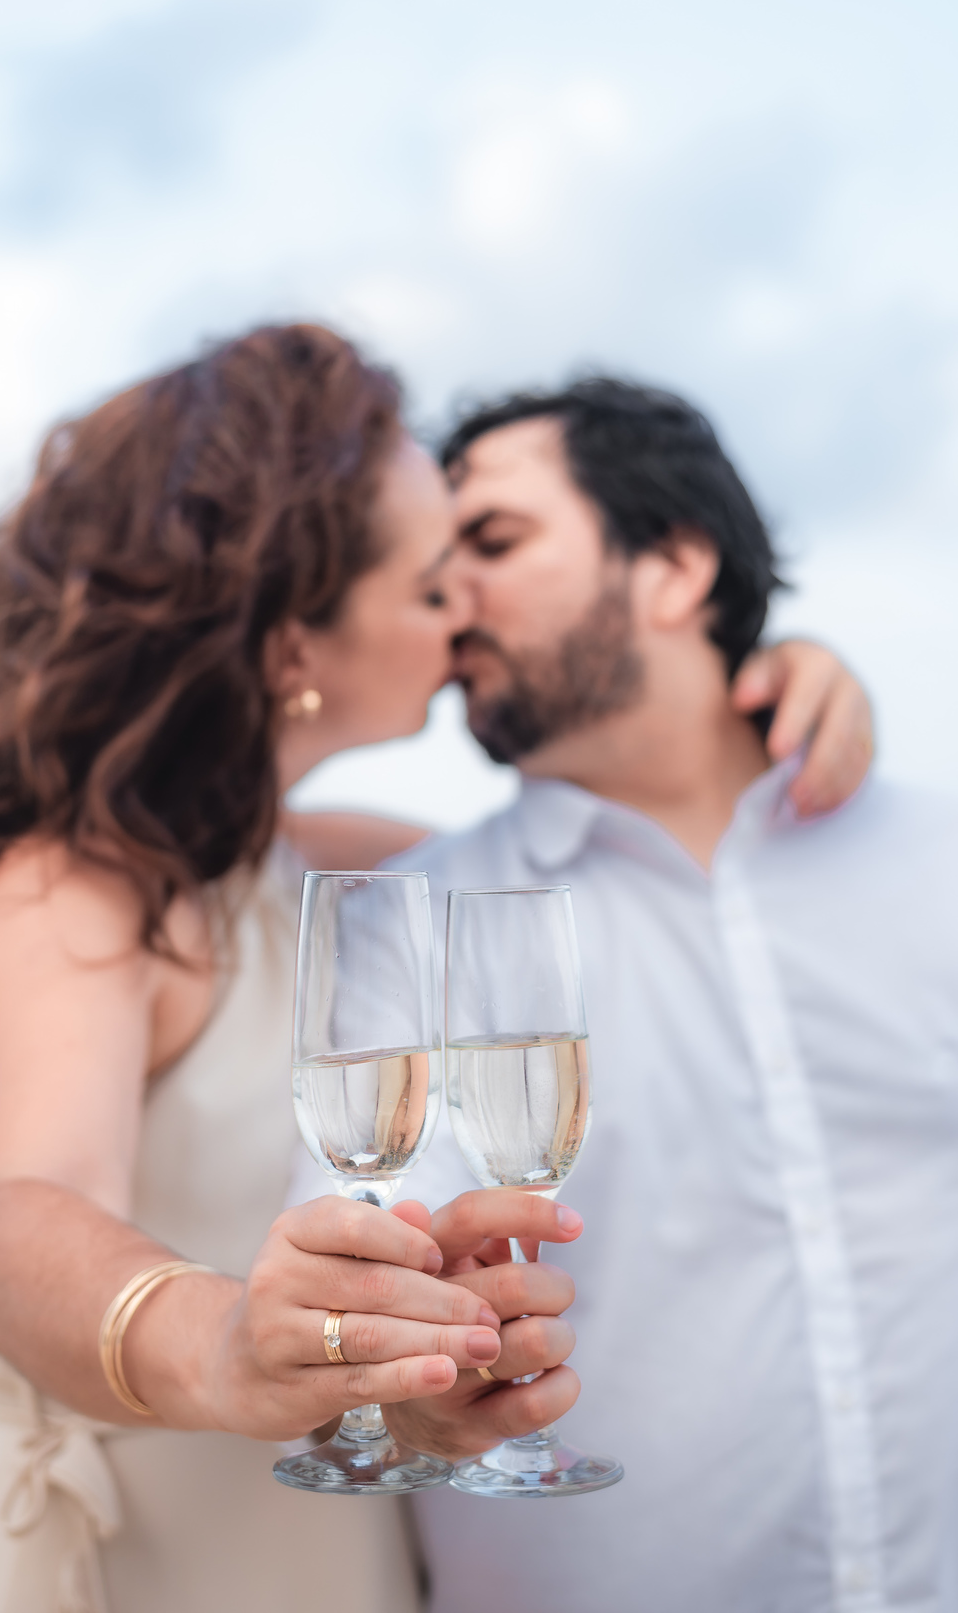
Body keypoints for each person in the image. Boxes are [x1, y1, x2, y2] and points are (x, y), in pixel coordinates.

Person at [0, 326, 871, 1613]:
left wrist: (764, 697)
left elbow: (616, 855)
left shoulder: (295, 872)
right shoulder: (60, 892)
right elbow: (16, 1218)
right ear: (294, 638)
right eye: (432, 583)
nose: (465, 607)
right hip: (135, 1569)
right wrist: (224, 1346)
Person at [393, 377, 958, 1613]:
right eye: (435, 565)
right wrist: (413, 1380)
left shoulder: (939, 865)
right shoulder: (412, 920)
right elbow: (376, 1293)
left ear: (675, 568)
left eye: (492, 541)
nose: (447, 597)